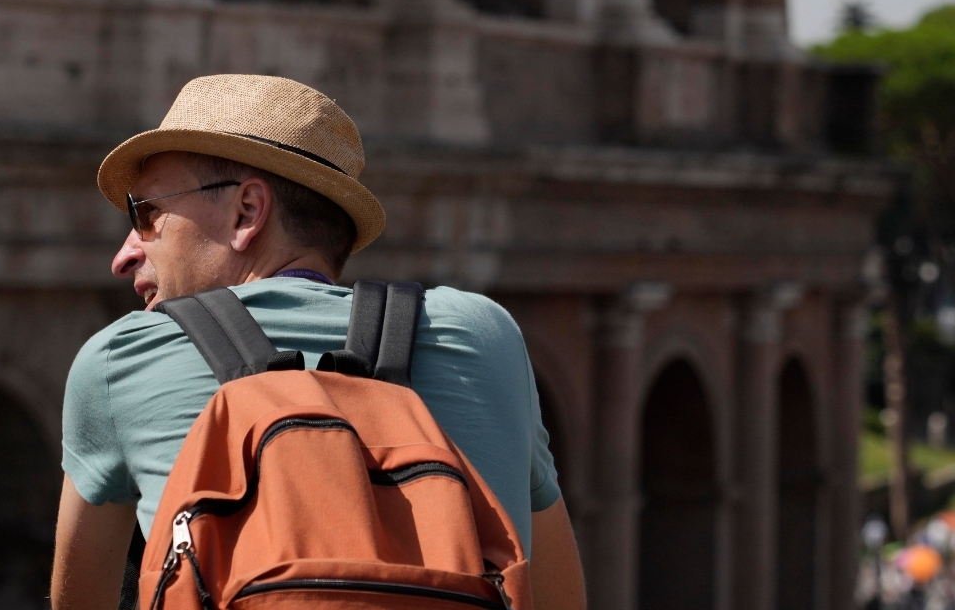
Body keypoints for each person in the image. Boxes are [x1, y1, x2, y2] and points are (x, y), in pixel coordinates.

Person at [50, 74, 586, 610]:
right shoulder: (484, 336)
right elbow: (559, 598)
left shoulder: (121, 357)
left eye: (147, 214)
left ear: (247, 212)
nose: (124, 255)